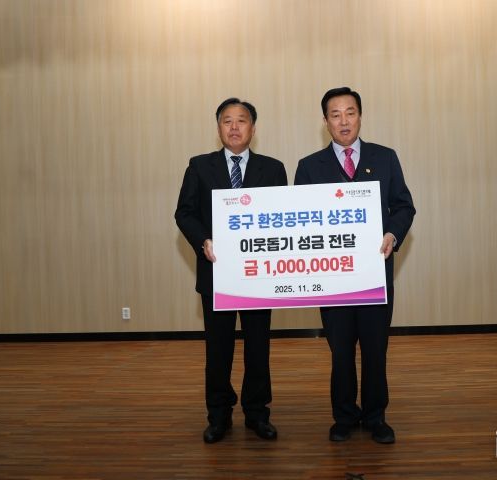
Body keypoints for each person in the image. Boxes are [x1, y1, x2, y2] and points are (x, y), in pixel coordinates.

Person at [294, 87, 416, 444]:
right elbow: (298, 219)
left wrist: (393, 233)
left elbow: (404, 206)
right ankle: (344, 416)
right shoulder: (309, 166)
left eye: (350, 112)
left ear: (360, 116)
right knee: (341, 351)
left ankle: (376, 417)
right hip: (332, 278)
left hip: (374, 274)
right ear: (325, 122)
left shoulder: (385, 158)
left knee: (376, 350)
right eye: (335, 114)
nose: (343, 121)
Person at [175, 98, 287, 444]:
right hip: (217, 274)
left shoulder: (273, 169)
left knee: (258, 348)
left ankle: (257, 413)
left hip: (258, 275)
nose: (234, 127)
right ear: (218, 128)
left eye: (242, 120)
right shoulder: (199, 166)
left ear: (253, 128)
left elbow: (283, 217)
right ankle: (219, 415)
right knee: (218, 350)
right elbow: (184, 213)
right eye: (227, 121)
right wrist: (203, 240)